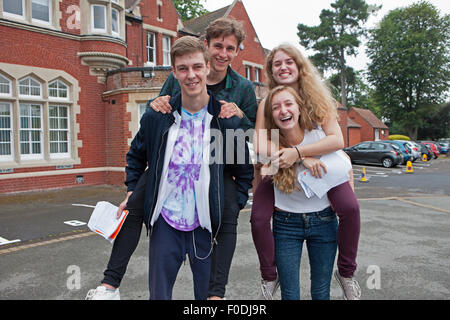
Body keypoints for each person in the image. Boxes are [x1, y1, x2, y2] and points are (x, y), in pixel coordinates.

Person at [86, 36, 253, 300]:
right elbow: (136, 155)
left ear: (208, 68)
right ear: (174, 72)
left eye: (197, 67)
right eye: (183, 68)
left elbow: (243, 172)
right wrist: (132, 189)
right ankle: (109, 285)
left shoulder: (226, 122)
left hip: (205, 227)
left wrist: (233, 204)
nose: (191, 75)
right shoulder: (157, 116)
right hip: (166, 223)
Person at [147, 17, 257, 300]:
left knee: (224, 224)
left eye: (230, 48)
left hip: (219, 164)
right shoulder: (181, 74)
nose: (223, 53)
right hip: (179, 163)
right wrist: (155, 104)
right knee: (135, 203)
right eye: (218, 46)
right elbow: (161, 113)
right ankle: (110, 282)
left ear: (236, 51)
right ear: (206, 47)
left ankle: (215, 291)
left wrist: (239, 116)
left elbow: (249, 135)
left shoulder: (243, 87)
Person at [251, 44, 361, 300]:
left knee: (351, 208)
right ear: (271, 71)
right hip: (280, 164)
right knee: (257, 218)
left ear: (300, 65)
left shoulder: (318, 99)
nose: (283, 67)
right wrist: (299, 158)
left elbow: (337, 140)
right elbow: (258, 144)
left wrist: (301, 154)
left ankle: (346, 273)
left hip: (322, 168)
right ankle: (269, 275)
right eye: (277, 64)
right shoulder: (269, 102)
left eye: (289, 61)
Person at [264, 85, 348, 300]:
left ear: (299, 108)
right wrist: (301, 158)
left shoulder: (319, 136)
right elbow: (265, 169)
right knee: (290, 294)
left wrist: (300, 153)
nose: (283, 110)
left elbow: (343, 165)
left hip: (323, 220)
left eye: (288, 104)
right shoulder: (270, 142)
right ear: (271, 115)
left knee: (321, 292)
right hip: (285, 224)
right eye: (276, 107)